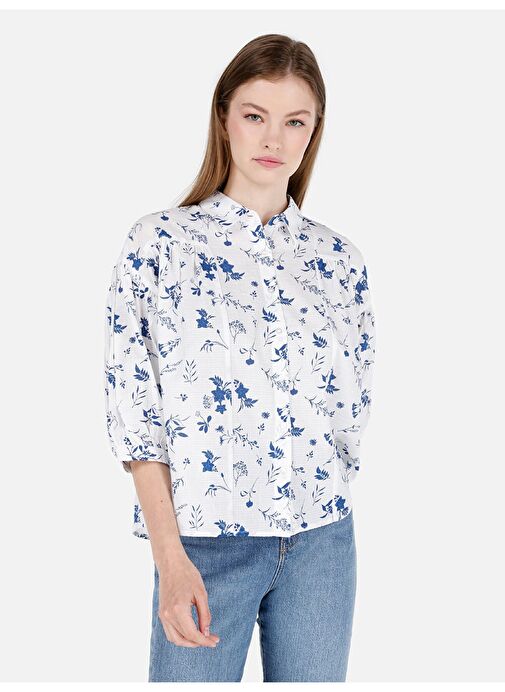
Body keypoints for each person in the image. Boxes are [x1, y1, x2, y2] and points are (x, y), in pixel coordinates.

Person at [104, 33, 376, 683]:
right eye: (255, 115)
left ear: (314, 132)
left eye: (295, 121)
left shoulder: (339, 261)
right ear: (224, 117)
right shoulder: (159, 245)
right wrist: (170, 558)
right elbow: (135, 416)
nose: (273, 138)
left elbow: (352, 409)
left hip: (320, 545)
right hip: (202, 547)